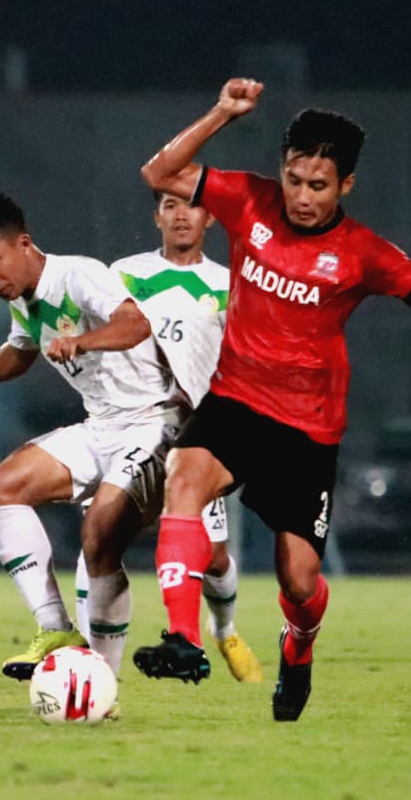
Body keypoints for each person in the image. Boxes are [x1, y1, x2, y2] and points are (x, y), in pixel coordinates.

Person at [130, 78, 411, 721]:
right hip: (235, 399)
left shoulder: (363, 253)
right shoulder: (248, 200)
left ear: (346, 187)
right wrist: (224, 113)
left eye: (318, 185)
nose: (302, 197)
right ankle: (184, 641)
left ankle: (298, 648)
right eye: (294, 179)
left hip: (306, 431)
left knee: (298, 581)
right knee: (183, 478)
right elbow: (159, 171)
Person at [0, 190, 184, 681]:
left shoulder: (77, 274)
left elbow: (135, 323)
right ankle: (55, 629)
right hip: (103, 427)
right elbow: (21, 347)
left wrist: (82, 340)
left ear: (23, 244)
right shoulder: (23, 298)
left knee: (98, 535)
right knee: (1, 488)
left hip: (156, 425)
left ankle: (99, 680)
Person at [106, 190, 264, 683]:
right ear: (156, 215)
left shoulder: (228, 284)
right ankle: (95, 651)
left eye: (191, 206)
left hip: (197, 434)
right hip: (134, 424)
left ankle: (225, 630)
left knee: (214, 557)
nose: (180, 215)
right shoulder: (124, 274)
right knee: (103, 532)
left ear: (210, 216)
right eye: (170, 205)